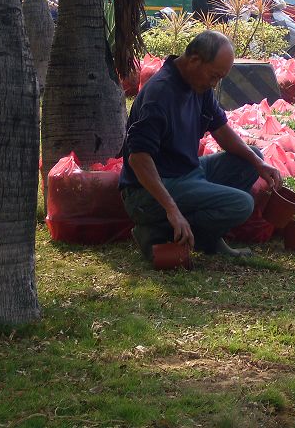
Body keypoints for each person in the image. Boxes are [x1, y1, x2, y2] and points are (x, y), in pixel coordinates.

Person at [119, 30, 283, 260]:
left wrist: (258, 163)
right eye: (214, 76)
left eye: (219, 78)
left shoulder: (199, 84)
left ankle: (209, 239)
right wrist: (172, 210)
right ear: (194, 60)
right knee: (241, 205)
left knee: (250, 158)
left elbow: (221, 130)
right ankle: (155, 230)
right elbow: (138, 159)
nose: (214, 84)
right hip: (146, 192)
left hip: (187, 172)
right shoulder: (159, 94)